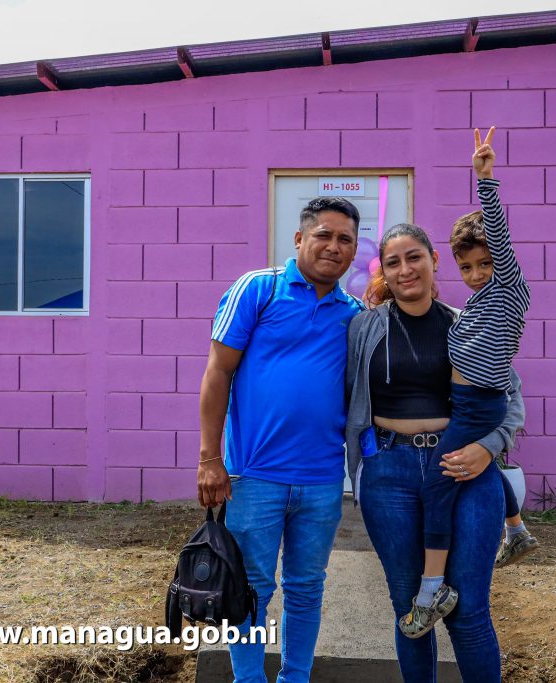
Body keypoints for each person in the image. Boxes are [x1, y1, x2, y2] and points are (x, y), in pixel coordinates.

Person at [344, 128, 528, 681]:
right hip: (389, 471)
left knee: (469, 611)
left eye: (415, 257)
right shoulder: (363, 328)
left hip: (464, 467)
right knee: (411, 612)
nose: (405, 269)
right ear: (383, 272)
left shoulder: (465, 324)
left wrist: (488, 448)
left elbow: (510, 398)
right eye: (393, 262)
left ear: (434, 262)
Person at [197, 196, 363, 683]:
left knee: (307, 588)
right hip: (255, 477)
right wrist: (210, 458)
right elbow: (217, 372)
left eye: (345, 239)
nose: (333, 246)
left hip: (322, 481)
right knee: (252, 589)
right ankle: (249, 679)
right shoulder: (259, 289)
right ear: (299, 238)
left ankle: (296, 678)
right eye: (324, 235)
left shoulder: (353, 314)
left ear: (355, 251)